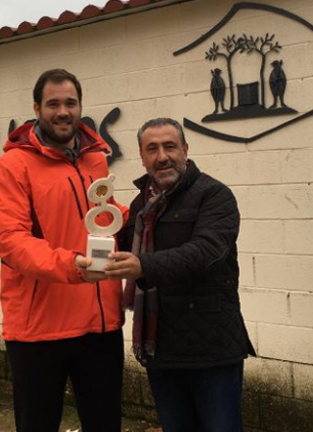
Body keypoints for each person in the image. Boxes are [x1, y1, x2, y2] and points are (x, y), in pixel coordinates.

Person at [0, 69, 127, 432]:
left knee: (105, 425)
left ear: (80, 106)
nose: (63, 111)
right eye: (53, 104)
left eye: (70, 103)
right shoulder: (12, 167)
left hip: (100, 323)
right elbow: (11, 242)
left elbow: (105, 215)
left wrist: (152, 213)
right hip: (39, 331)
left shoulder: (94, 159)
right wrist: (72, 265)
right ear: (36, 108)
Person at [106, 118, 255, 432]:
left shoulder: (214, 196)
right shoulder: (139, 205)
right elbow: (117, 247)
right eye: (152, 149)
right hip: (161, 349)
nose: (162, 156)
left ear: (185, 150)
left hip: (211, 349)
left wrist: (143, 267)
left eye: (170, 146)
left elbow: (205, 251)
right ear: (142, 156)